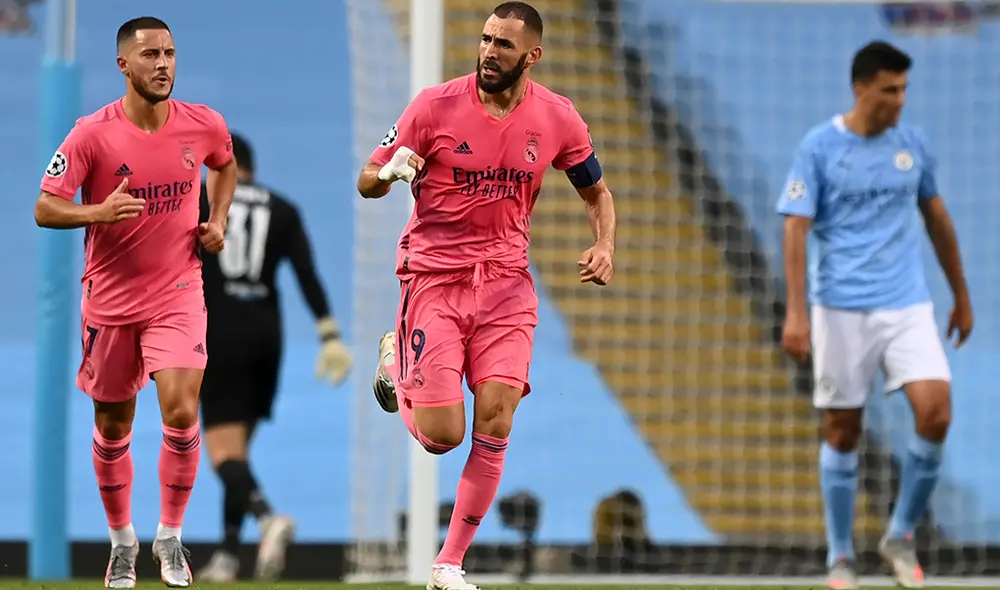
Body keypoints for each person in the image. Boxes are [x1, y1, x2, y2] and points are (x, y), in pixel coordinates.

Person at [358, 3, 617, 589]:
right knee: (444, 436)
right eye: (485, 39)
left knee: (496, 422)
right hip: (434, 282)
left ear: (532, 55)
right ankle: (395, 361)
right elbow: (366, 180)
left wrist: (604, 245)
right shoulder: (432, 106)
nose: (488, 52)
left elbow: (596, 193)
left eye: (503, 44)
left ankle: (448, 564)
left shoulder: (558, 117)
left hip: (506, 288)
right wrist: (392, 169)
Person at [33, 16, 236, 589]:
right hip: (111, 301)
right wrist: (96, 212)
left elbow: (225, 164)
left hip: (178, 291)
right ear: (124, 65)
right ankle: (123, 542)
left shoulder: (202, 124)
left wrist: (216, 220)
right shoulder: (90, 134)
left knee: (180, 408)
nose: (163, 64)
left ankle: (170, 537)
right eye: (150, 55)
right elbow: (46, 207)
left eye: (170, 53)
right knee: (114, 423)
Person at [778, 41, 973, 590]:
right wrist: (797, 313)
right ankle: (841, 556)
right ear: (861, 88)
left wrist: (961, 294)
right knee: (843, 430)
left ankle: (901, 535)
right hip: (839, 306)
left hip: (907, 302)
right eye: (891, 89)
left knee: (936, 412)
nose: (900, 100)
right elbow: (796, 227)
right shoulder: (819, 147)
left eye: (905, 89)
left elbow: (936, 218)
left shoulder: (912, 145)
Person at [195, 133, 352, 582]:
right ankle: (227, 555)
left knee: (222, 451)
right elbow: (306, 274)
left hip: (219, 333)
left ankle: (267, 519)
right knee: (240, 448)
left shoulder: (202, 205)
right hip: (267, 337)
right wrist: (330, 335)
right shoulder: (283, 208)